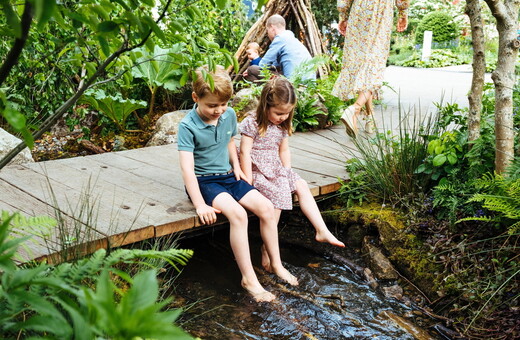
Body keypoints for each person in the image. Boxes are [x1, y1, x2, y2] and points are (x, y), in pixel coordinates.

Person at [178, 66, 298, 303]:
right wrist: (201, 204)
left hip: (229, 176)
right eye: (212, 105)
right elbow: (187, 169)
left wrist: (238, 168)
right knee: (238, 215)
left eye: (223, 104)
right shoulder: (187, 126)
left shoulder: (228, 114)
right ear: (196, 98)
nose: (219, 111)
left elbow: (230, 142)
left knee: (265, 207)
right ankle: (249, 279)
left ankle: (275, 263)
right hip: (205, 182)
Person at [239, 77, 345, 272]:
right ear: (265, 105)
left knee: (301, 185)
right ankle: (267, 248)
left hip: (276, 167)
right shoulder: (252, 123)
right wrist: (247, 180)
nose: (283, 117)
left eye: (287, 113)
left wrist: (287, 171)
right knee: (279, 195)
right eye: (279, 113)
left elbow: (284, 151)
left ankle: (321, 230)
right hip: (257, 169)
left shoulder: (281, 125)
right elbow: (244, 152)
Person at [333, 0, 409, 137]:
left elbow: (343, 2)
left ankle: (370, 117)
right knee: (374, 64)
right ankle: (355, 110)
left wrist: (343, 15)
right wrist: (403, 12)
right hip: (382, 12)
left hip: (360, 11)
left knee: (362, 63)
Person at [244, 14, 315, 82]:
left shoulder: (280, 39)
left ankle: (264, 93)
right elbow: (275, 65)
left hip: (292, 84)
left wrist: (249, 70)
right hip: (307, 84)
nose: (268, 34)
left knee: (252, 69)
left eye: (267, 30)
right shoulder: (290, 38)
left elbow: (263, 65)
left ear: (272, 28)